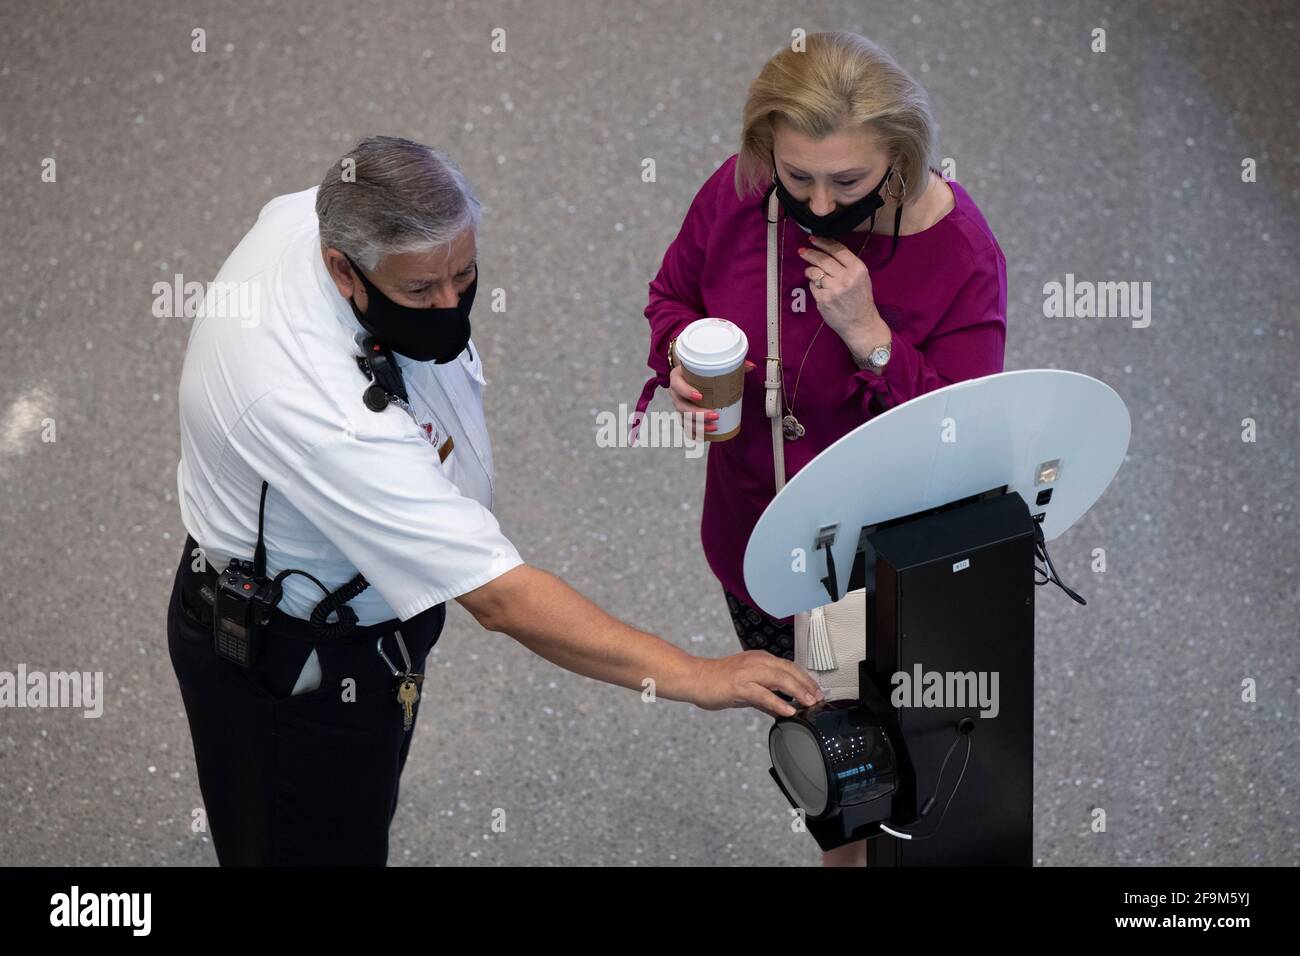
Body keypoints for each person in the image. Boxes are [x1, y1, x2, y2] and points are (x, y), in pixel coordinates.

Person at [169, 135, 822, 866]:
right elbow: (499, 599)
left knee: (355, 817)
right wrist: (696, 675)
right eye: (420, 292)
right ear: (341, 270)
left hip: (368, 609)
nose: (450, 304)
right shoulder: (320, 412)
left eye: (465, 274)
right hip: (295, 662)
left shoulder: (312, 216)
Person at [633, 32, 1008, 866]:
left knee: (899, 771)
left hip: (878, 571)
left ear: (902, 160)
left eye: (849, 180)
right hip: (759, 543)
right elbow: (673, 296)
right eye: (797, 176)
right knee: (831, 769)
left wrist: (873, 338)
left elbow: (968, 443)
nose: (821, 201)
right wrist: (681, 361)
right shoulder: (739, 195)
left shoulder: (959, 252)